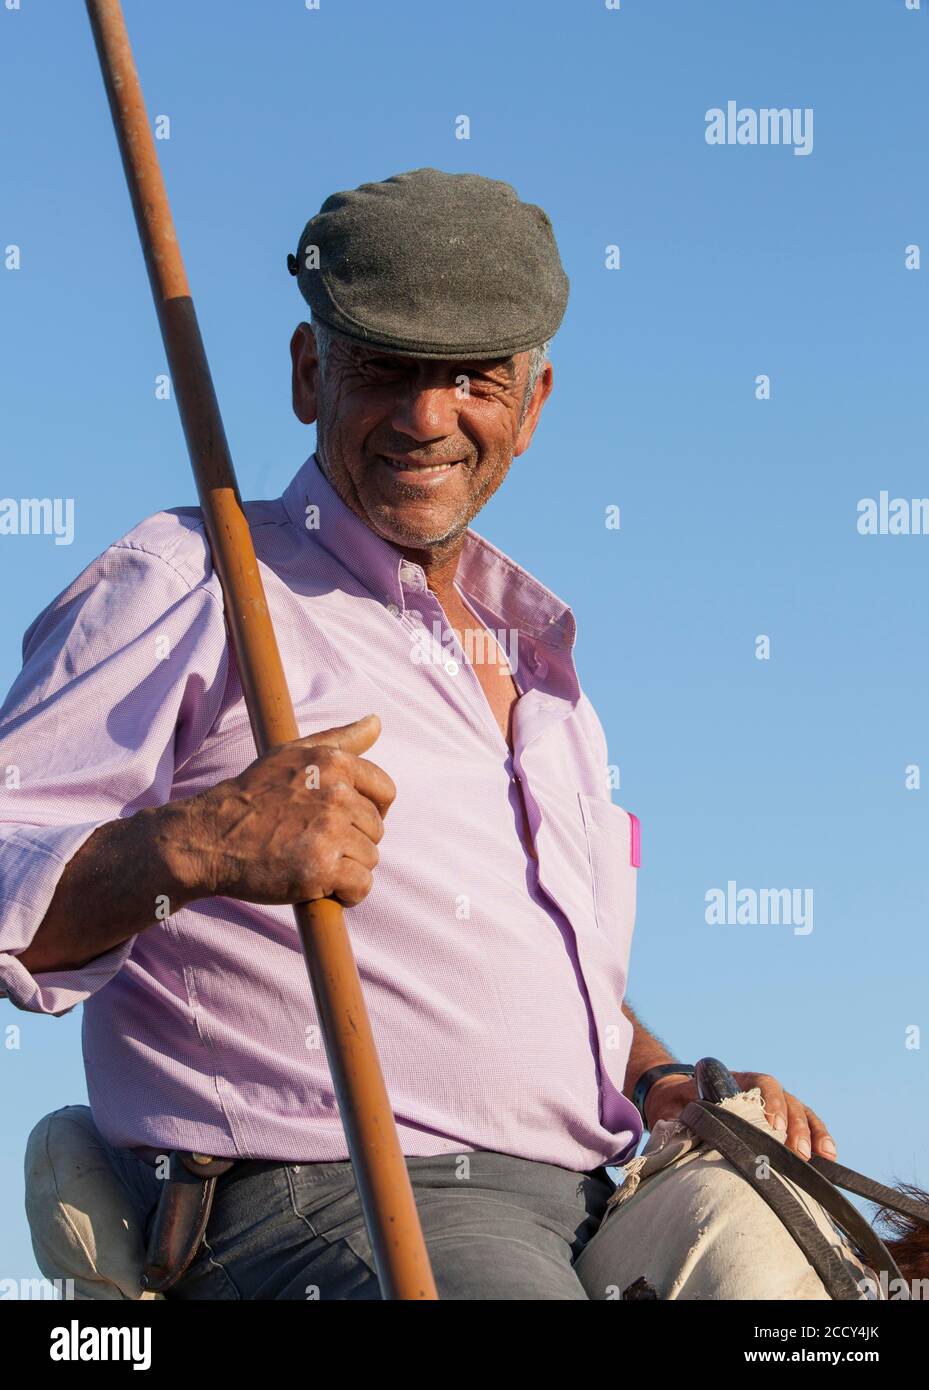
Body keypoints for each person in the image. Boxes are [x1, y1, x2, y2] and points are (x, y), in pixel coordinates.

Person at [0, 168, 835, 1300]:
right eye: (385, 368)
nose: (426, 416)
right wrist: (197, 850)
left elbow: (533, 984)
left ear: (531, 407)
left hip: (597, 1198)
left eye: (473, 380)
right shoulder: (190, 581)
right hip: (334, 1197)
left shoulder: (542, 672)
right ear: (308, 375)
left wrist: (657, 1082)